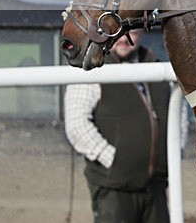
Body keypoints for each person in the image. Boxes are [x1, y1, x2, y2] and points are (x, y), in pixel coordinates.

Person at [64, 29, 171, 223]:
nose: (125, 38)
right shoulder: (92, 68)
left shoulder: (157, 65)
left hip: (156, 187)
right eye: (119, 31)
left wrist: (171, 154)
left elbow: (176, 115)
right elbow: (76, 124)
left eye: (133, 32)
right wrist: (114, 159)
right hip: (113, 188)